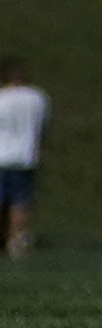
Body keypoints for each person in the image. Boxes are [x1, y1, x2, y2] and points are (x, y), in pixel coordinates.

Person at [0, 58, 40, 255]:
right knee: (20, 203)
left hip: (2, 156)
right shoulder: (37, 98)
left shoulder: (2, 99)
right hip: (25, 158)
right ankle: (16, 243)